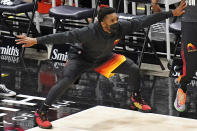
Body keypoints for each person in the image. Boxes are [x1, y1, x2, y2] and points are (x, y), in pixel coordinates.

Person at [16, 1, 186, 129]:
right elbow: (63, 36)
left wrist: (172, 12)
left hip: (104, 58)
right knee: (66, 81)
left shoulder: (119, 27)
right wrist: (36, 40)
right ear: (102, 23)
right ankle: (42, 112)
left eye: (117, 19)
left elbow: (144, 20)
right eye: (112, 20)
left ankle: (135, 98)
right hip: (80, 59)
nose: (116, 22)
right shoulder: (88, 32)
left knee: (133, 68)